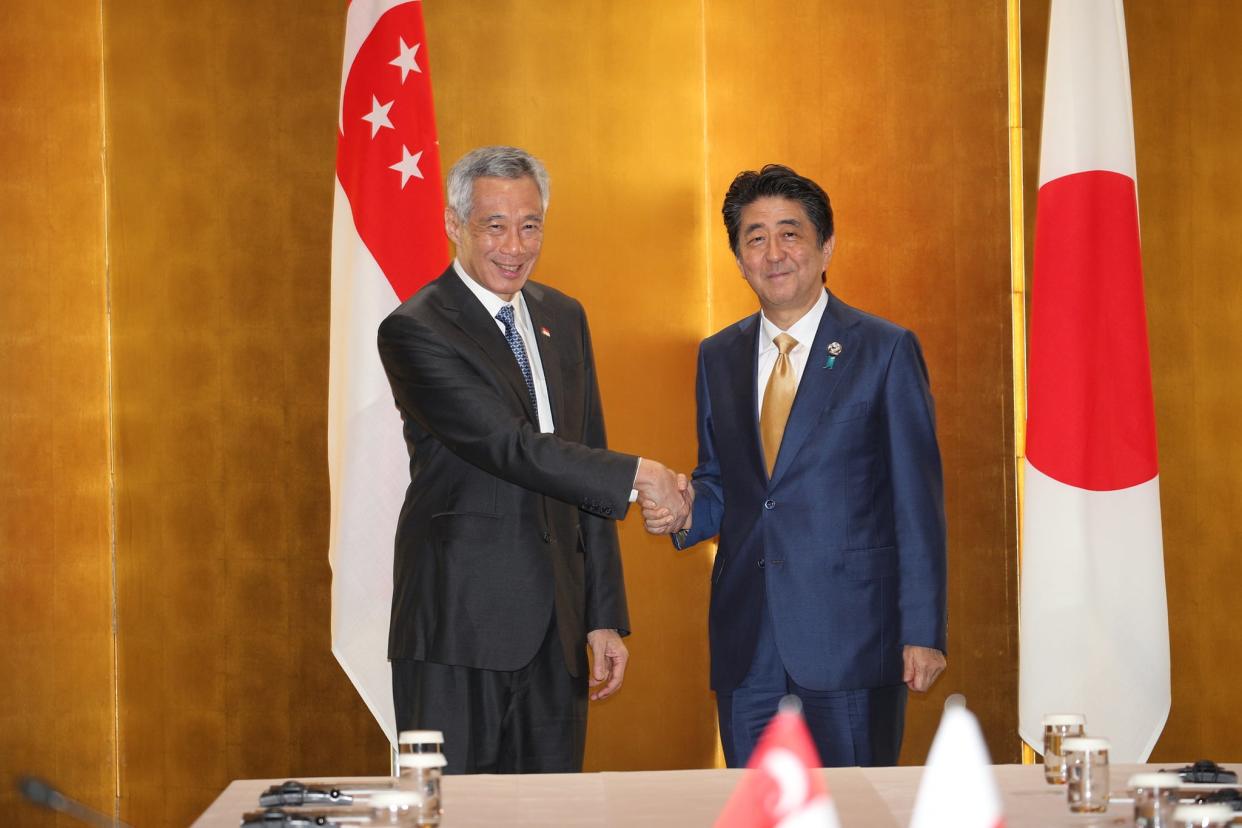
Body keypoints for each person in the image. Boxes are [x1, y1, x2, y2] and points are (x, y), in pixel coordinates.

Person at [378, 146, 688, 774]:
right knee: (457, 815)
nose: (515, 246)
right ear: (454, 224)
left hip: (559, 631)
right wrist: (641, 475)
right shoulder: (416, 330)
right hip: (457, 628)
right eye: (495, 226)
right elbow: (510, 447)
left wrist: (603, 615)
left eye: (531, 225)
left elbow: (584, 456)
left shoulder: (563, 317)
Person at [645, 164, 947, 767]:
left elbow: (918, 502)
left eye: (790, 233)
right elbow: (726, 484)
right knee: (759, 810)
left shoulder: (884, 349)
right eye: (754, 237)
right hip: (746, 643)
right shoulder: (718, 355)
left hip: (854, 639)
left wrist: (923, 630)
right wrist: (684, 511)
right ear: (738, 257)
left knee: (852, 811)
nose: (773, 252)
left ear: (825, 246)